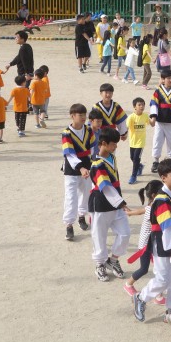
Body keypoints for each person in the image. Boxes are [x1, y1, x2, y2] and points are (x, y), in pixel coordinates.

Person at [89, 127, 143, 282]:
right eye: (113, 144)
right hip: (100, 205)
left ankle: (113, 260)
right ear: (104, 143)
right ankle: (100, 264)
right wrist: (121, 203)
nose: (116, 147)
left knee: (125, 233)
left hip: (116, 205)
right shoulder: (96, 164)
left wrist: (119, 203)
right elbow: (105, 186)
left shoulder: (112, 157)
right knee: (99, 236)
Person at [133, 158, 171, 324]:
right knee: (163, 279)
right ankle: (140, 297)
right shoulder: (161, 199)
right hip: (164, 243)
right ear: (163, 177)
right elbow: (167, 227)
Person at [124, 180, 164, 297]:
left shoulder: (150, 206)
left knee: (160, 269)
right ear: (154, 195)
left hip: (151, 243)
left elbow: (142, 210)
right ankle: (128, 284)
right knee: (144, 269)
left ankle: (159, 294)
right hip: (147, 245)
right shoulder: (153, 209)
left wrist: (130, 213)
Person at [62, 103, 94, 241]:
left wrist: (93, 164)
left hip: (87, 167)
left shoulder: (88, 130)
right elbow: (69, 154)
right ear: (72, 116)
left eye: (84, 115)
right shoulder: (66, 133)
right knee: (71, 197)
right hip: (72, 169)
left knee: (86, 193)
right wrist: (80, 168)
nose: (83, 117)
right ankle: (69, 224)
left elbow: (93, 148)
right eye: (80, 115)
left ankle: (82, 216)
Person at [126, 97, 148, 184]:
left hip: (141, 142)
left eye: (143, 104)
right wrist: (123, 135)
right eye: (139, 105)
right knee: (132, 157)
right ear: (134, 107)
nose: (141, 106)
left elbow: (151, 123)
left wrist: (154, 119)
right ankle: (140, 166)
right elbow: (127, 127)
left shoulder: (145, 115)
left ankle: (133, 176)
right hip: (132, 141)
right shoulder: (131, 117)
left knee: (135, 158)